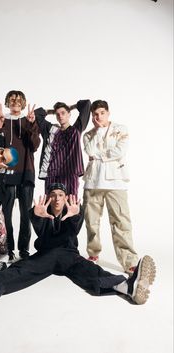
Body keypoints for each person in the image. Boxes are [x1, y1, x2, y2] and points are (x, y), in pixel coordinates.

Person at [0, 183, 155, 305]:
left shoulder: (74, 211)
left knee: (90, 269)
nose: (57, 198)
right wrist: (40, 218)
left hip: (69, 256)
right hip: (46, 256)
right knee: (22, 269)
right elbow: (45, 239)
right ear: (48, 197)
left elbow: (70, 237)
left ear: (66, 197)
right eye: (53, 195)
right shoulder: (41, 211)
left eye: (60, 195)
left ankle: (127, 286)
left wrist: (73, 217)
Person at [83, 100, 138, 275]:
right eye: (95, 114)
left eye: (102, 113)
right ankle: (93, 254)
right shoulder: (88, 134)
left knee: (121, 221)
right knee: (91, 222)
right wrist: (98, 132)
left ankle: (129, 261)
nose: (98, 117)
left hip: (116, 182)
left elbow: (120, 152)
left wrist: (99, 156)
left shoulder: (121, 129)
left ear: (108, 113)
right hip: (92, 181)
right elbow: (90, 152)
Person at [0, 90, 41, 261]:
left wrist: (32, 125)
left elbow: (34, 145)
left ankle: (24, 250)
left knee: (26, 215)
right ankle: (8, 250)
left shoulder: (29, 120)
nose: (15, 102)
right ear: (7, 102)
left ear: (23, 103)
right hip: (7, 174)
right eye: (12, 99)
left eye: (19, 100)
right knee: (6, 215)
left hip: (26, 172)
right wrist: (0, 126)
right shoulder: (1, 120)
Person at [32, 100, 91, 198]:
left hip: (70, 173)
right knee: (50, 203)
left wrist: (71, 106)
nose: (60, 116)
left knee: (71, 203)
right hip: (52, 172)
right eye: (57, 114)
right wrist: (52, 111)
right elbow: (37, 113)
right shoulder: (50, 130)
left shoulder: (76, 129)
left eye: (63, 113)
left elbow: (86, 104)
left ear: (69, 114)